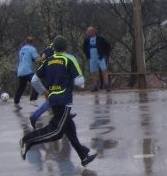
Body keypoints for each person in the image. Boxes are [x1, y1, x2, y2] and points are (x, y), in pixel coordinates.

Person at [20, 35, 97, 167]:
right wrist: (74, 81)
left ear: (54, 48)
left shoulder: (48, 61)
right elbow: (80, 82)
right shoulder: (69, 59)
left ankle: (83, 155)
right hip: (64, 100)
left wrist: (44, 91)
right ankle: (27, 140)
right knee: (56, 132)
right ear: (66, 47)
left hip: (53, 99)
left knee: (70, 129)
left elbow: (34, 80)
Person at [13, 36, 42, 110]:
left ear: (26, 42)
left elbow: (27, 58)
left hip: (20, 71)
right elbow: (37, 60)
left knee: (21, 87)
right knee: (36, 81)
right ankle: (33, 99)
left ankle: (16, 102)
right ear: (32, 42)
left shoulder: (22, 49)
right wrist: (43, 57)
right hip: (27, 70)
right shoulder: (32, 49)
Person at [82, 26, 111, 92]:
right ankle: (95, 86)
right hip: (92, 58)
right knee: (93, 72)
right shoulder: (87, 39)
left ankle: (106, 85)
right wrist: (87, 55)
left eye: (88, 31)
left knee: (104, 71)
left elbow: (108, 44)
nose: (87, 33)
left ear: (92, 32)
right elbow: (84, 48)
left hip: (100, 58)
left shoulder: (100, 38)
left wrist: (106, 54)